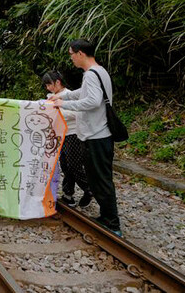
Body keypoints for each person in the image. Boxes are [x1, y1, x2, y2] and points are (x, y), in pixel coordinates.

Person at [50, 39, 120, 236]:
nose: (71, 58)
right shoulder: (99, 71)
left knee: (101, 180)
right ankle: (107, 217)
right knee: (99, 178)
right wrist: (65, 98)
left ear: (80, 53)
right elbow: (85, 93)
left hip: (96, 135)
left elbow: (92, 100)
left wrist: (64, 104)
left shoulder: (90, 75)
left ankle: (112, 223)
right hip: (100, 133)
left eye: (71, 53)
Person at [43, 70, 91, 208]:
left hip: (73, 134)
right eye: (46, 86)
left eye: (49, 85)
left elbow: (78, 113)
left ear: (58, 82)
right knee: (65, 165)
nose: (48, 88)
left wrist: (58, 110)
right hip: (60, 135)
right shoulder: (51, 97)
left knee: (74, 164)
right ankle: (68, 195)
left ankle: (89, 189)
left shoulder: (69, 95)